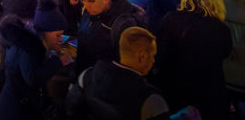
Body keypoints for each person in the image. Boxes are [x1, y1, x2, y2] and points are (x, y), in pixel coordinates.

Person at [67, 26, 199, 120]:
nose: (153, 60)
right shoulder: (150, 99)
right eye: (153, 55)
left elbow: (71, 110)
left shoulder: (87, 76)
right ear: (142, 56)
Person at [155, 0, 233, 120]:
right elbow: (225, 53)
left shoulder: (170, 19)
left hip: (172, 88)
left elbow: (160, 52)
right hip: (206, 91)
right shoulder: (220, 28)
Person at [0, 0, 70, 120]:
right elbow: (32, 78)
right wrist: (58, 61)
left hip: (21, 104)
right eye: (57, 35)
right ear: (45, 32)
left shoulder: (35, 41)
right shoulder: (29, 48)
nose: (60, 39)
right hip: (15, 110)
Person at [74, 0, 146, 74]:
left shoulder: (124, 22)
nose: (86, 6)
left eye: (91, 1)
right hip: (86, 77)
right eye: (84, 0)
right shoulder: (89, 11)